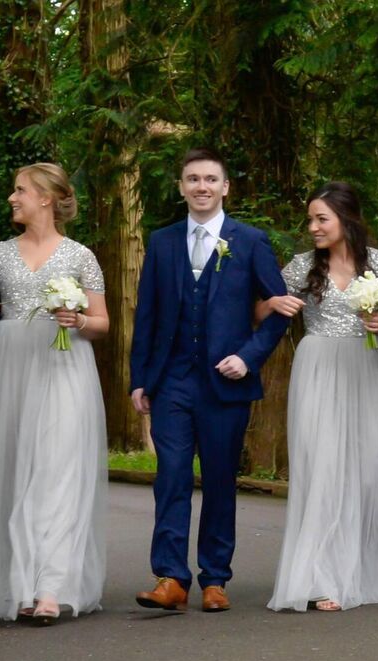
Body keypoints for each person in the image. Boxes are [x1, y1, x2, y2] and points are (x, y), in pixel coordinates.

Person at [0, 163, 109, 624]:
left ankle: (51, 586)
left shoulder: (80, 255)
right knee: (13, 471)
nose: (13, 198)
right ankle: (17, 584)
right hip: (12, 369)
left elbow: (103, 323)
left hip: (64, 366)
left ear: (47, 198)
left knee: (57, 473)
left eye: (20, 191)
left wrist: (78, 320)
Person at [130, 148, 290, 613]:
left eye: (210, 179)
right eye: (193, 179)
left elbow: (279, 310)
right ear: (181, 187)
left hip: (226, 384)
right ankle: (170, 578)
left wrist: (249, 357)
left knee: (220, 480)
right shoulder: (160, 242)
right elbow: (148, 316)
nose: (201, 187)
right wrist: (141, 379)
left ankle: (215, 578)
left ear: (225, 188)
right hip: (172, 381)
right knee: (172, 476)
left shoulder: (251, 240)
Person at [261, 181, 378, 612]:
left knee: (371, 468)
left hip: (366, 368)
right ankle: (322, 578)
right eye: (310, 219)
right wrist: (275, 304)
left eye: (321, 218)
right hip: (318, 367)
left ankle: (363, 572)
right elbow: (260, 308)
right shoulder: (300, 267)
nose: (312, 227)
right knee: (325, 469)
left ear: (346, 219)